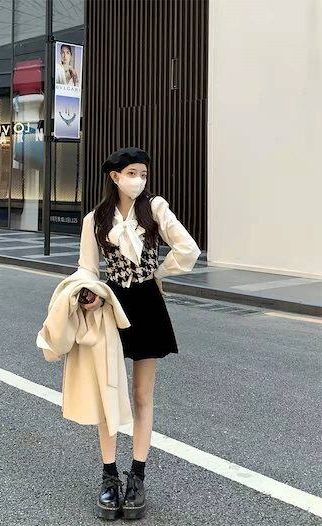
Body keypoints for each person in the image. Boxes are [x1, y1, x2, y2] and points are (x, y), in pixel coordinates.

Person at [77, 146, 202, 520]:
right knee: (109, 393)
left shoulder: (155, 208)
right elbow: (87, 268)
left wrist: (158, 273)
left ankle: (137, 477)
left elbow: (188, 248)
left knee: (142, 396)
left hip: (147, 304)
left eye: (143, 174)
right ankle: (109, 476)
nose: (139, 180)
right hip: (111, 304)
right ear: (115, 176)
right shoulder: (95, 219)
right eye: (132, 173)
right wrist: (89, 295)